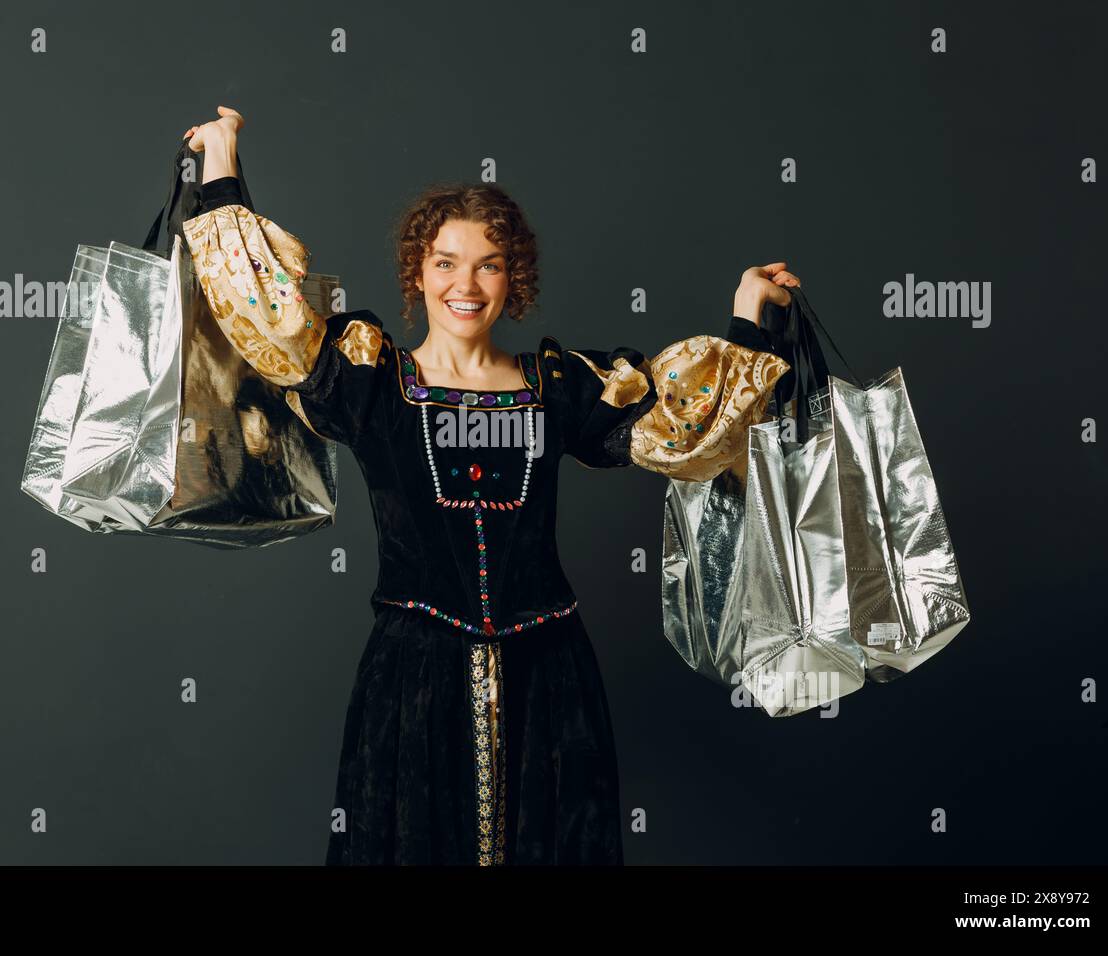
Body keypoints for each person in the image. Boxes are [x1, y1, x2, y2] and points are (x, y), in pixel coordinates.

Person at [179, 106, 796, 865]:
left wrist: (745, 317)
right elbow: (260, 309)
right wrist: (222, 161)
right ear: (416, 272)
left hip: (550, 683)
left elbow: (686, 424)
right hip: (412, 685)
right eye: (445, 262)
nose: (465, 284)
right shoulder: (373, 380)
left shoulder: (561, 386)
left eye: (489, 264)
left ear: (515, 278)